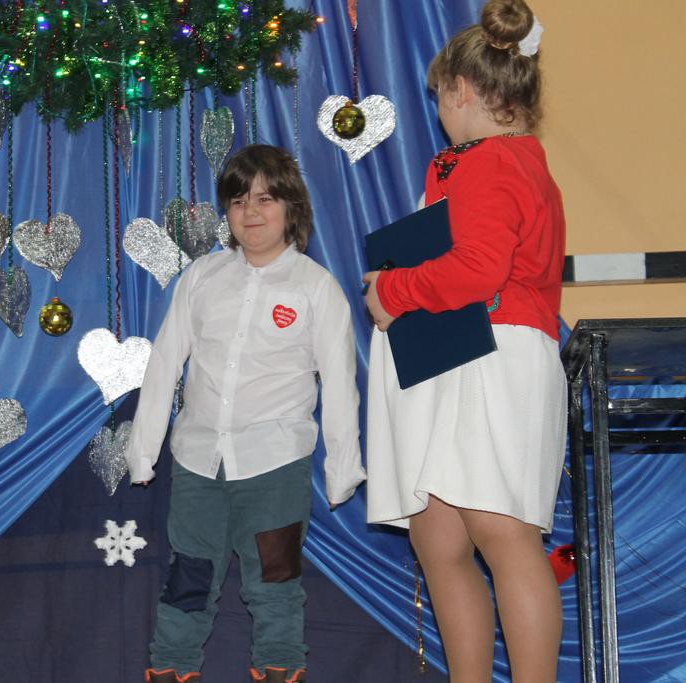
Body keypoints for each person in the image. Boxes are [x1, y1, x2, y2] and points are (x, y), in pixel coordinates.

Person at [363, 1, 566, 681]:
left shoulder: (492, 161)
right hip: (460, 354)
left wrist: (393, 289)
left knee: (503, 533)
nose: (439, 114)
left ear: (462, 91)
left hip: (495, 355)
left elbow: (479, 270)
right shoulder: (492, 162)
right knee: (439, 536)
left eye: (438, 99)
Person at [127, 144, 365, 683]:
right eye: (237, 201)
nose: (250, 212)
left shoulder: (315, 287)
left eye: (264, 199)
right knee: (187, 580)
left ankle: (279, 669)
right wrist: (143, 453)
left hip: (275, 463)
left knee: (275, 582)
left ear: (290, 207)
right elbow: (164, 363)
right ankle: (171, 669)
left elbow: (340, 385)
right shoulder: (203, 277)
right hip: (198, 462)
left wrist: (342, 470)